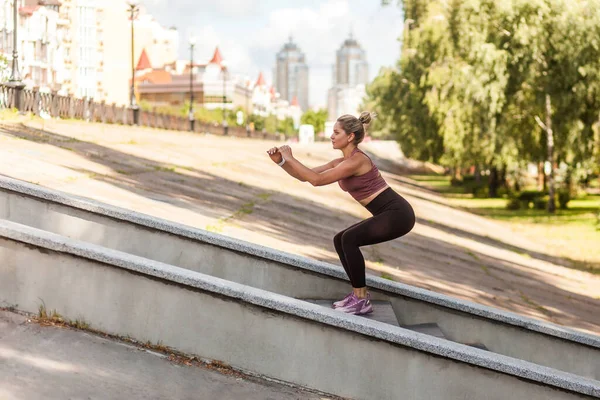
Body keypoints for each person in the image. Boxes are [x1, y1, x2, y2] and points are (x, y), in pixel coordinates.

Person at [266, 112, 416, 315]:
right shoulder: (341, 162)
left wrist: (291, 157)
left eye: (336, 132)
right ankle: (358, 295)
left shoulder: (357, 161)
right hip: (388, 213)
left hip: (398, 214)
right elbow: (308, 176)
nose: (331, 136)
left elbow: (317, 181)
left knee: (350, 240)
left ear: (350, 136)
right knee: (341, 240)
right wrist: (282, 162)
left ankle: (361, 300)